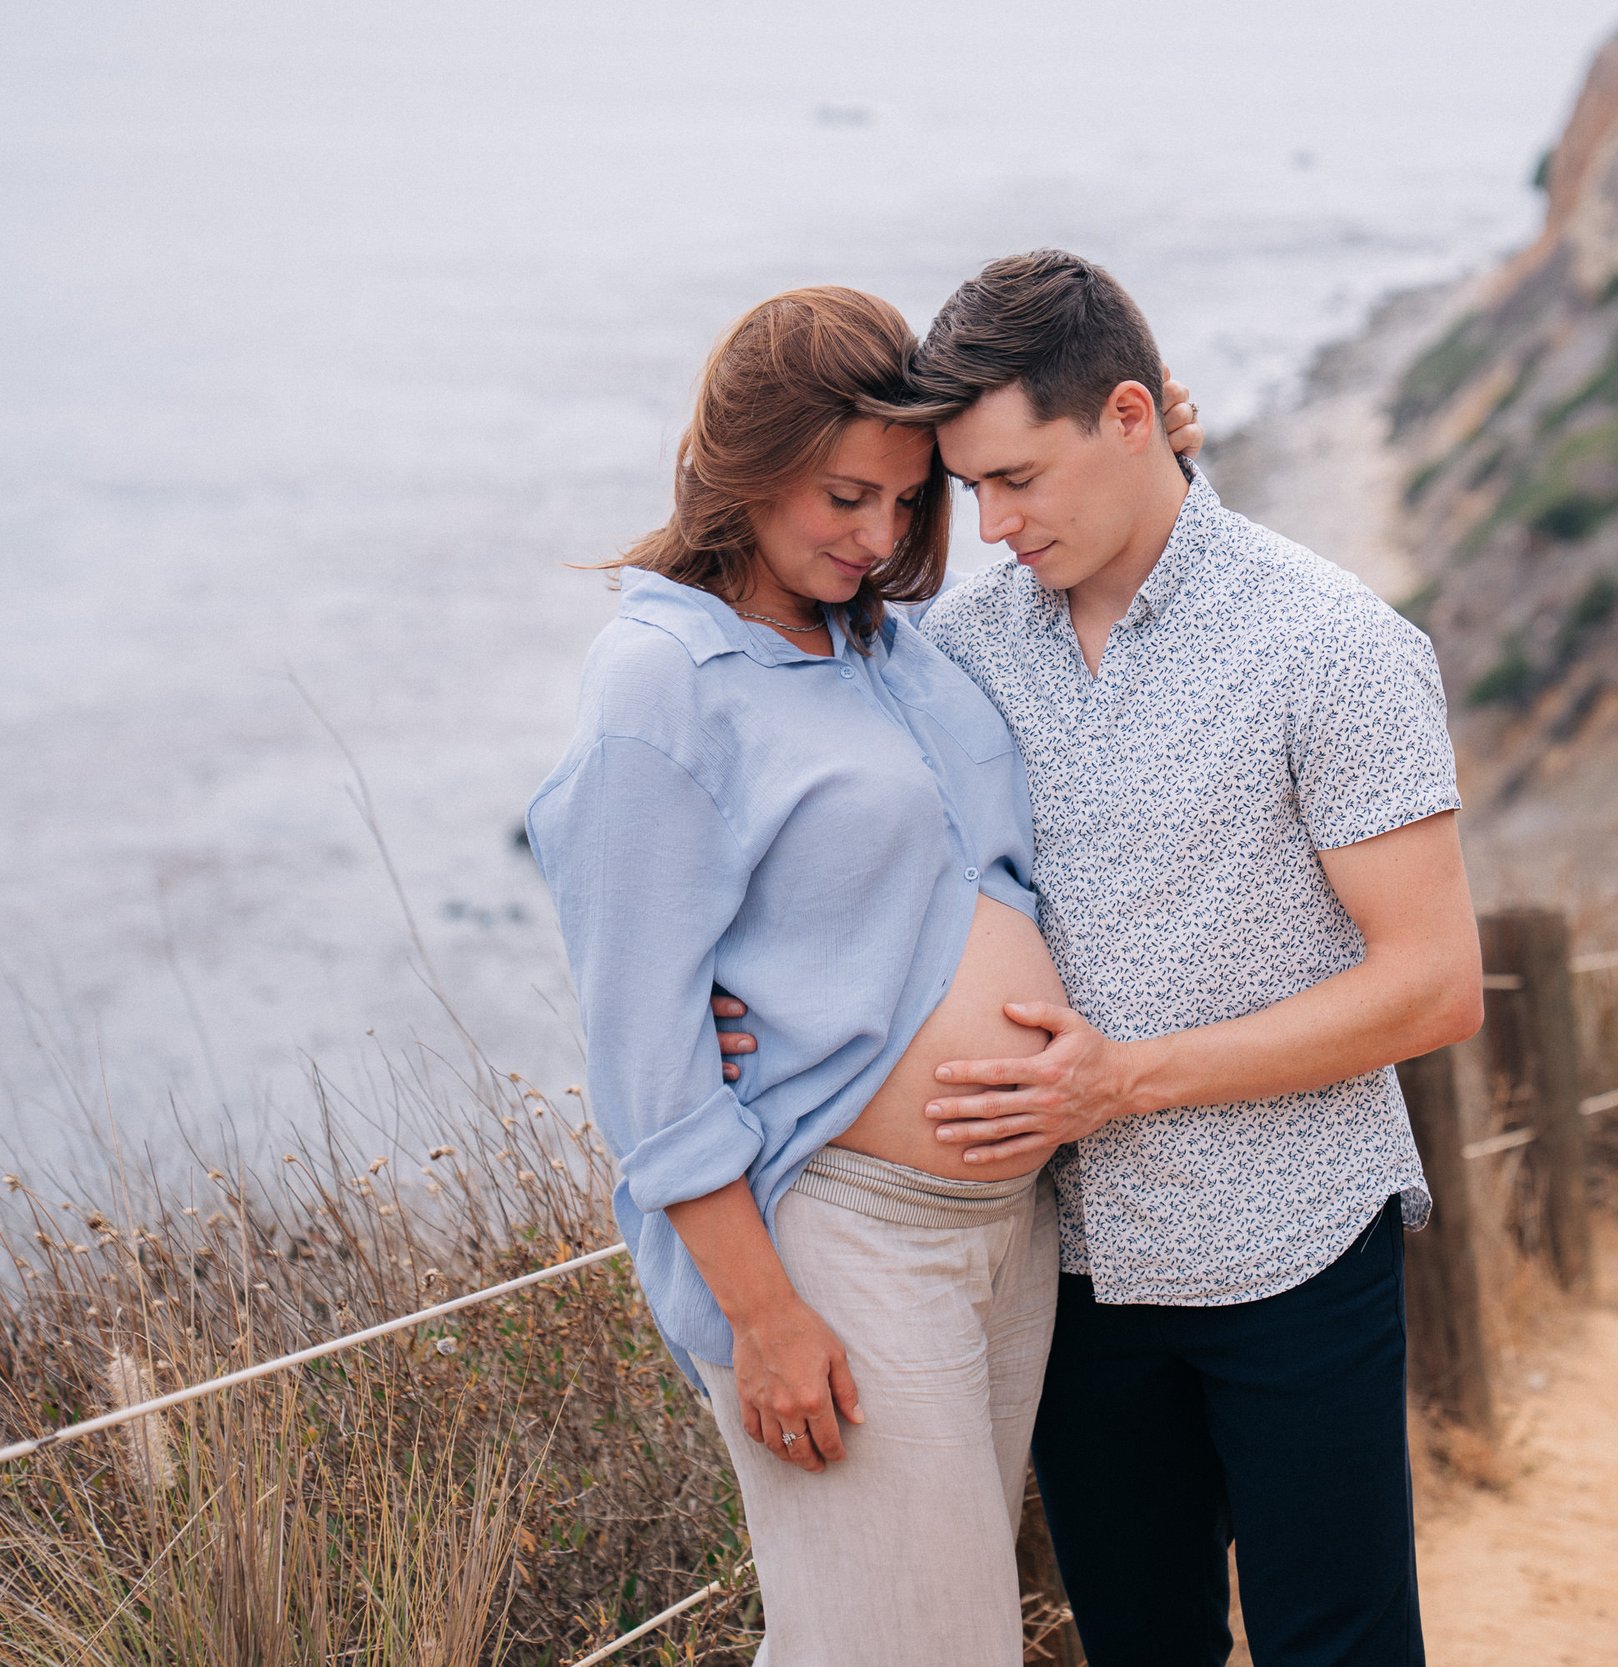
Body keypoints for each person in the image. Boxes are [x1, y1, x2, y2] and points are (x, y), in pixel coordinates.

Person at [721, 248, 1486, 1666]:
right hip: (1064, 1265)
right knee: (1140, 1648)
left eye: (1020, 478)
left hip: (1293, 1244)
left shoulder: (1333, 646)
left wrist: (1122, 1084)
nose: (992, 524)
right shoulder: (952, 653)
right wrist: (754, 1000)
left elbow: (1433, 983)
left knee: (1343, 1645)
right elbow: (829, 823)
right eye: (969, 488)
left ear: (1134, 418)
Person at [526, 284, 1201, 1667]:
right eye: (844, 497)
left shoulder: (889, 643)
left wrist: (1166, 464)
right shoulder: (661, 681)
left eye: (906, 503)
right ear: (746, 465)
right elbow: (647, 1052)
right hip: (839, 1236)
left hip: (1009, 1240)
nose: (879, 537)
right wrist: (763, 1320)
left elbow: (1088, 608)